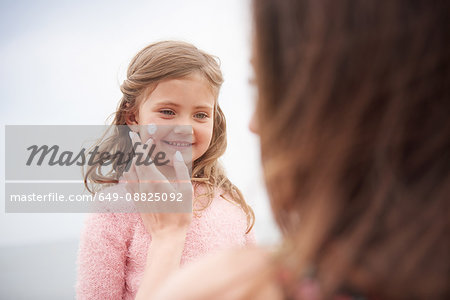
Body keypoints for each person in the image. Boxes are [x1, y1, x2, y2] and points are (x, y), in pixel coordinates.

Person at [141, 0, 449, 299]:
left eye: (263, 85)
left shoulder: (237, 279)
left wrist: (168, 238)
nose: (254, 124)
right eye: (167, 111)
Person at [76, 40, 255, 299]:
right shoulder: (113, 209)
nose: (185, 127)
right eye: (168, 111)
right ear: (133, 117)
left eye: (201, 115)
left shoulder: (229, 201)